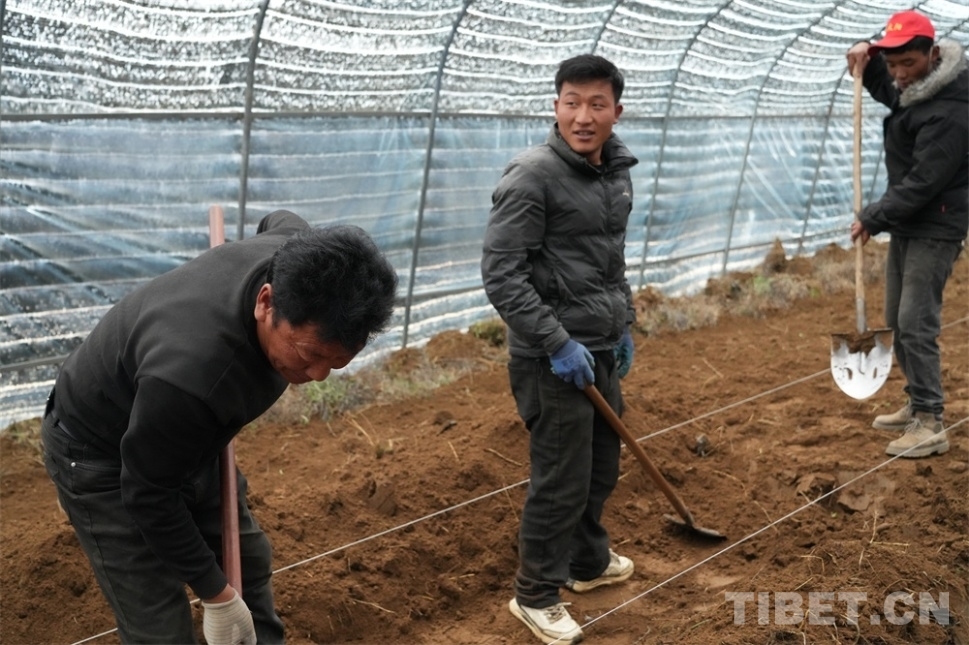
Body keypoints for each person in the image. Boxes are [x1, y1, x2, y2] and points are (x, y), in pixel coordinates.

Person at [41, 209, 398, 644]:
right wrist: (217, 595)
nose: (319, 375)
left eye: (337, 362)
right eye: (309, 355)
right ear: (266, 302)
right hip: (99, 453)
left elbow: (279, 219)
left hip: (181, 436)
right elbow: (149, 494)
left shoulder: (296, 255)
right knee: (160, 623)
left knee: (248, 560)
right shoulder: (194, 375)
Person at [481, 54, 639, 645]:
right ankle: (536, 594)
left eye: (597, 104)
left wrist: (624, 324)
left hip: (599, 344)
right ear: (556, 107)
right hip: (551, 356)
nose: (583, 116)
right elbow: (502, 275)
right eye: (572, 103)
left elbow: (610, 262)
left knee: (601, 466)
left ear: (616, 111)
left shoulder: (615, 173)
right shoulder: (532, 176)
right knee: (560, 479)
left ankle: (586, 562)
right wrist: (556, 341)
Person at [846, 10, 967, 459]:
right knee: (896, 318)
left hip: (937, 224)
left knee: (916, 322)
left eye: (907, 64)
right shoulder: (916, 88)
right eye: (892, 64)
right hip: (909, 221)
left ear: (933, 55)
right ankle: (916, 401)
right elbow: (888, 88)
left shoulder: (952, 110)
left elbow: (924, 182)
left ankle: (931, 422)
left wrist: (873, 216)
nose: (898, 74)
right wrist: (865, 53)